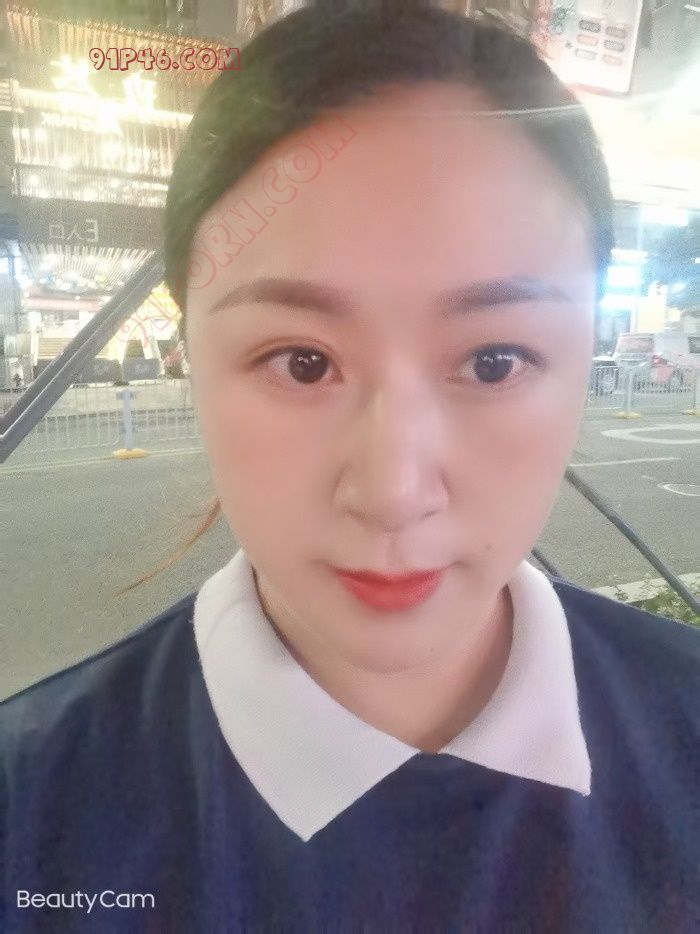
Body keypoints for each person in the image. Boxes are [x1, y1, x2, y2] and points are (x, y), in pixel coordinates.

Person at [2, 2, 698, 931]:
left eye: (494, 361)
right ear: (189, 353)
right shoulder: (31, 819)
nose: (393, 494)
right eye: (302, 362)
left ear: (584, 355)